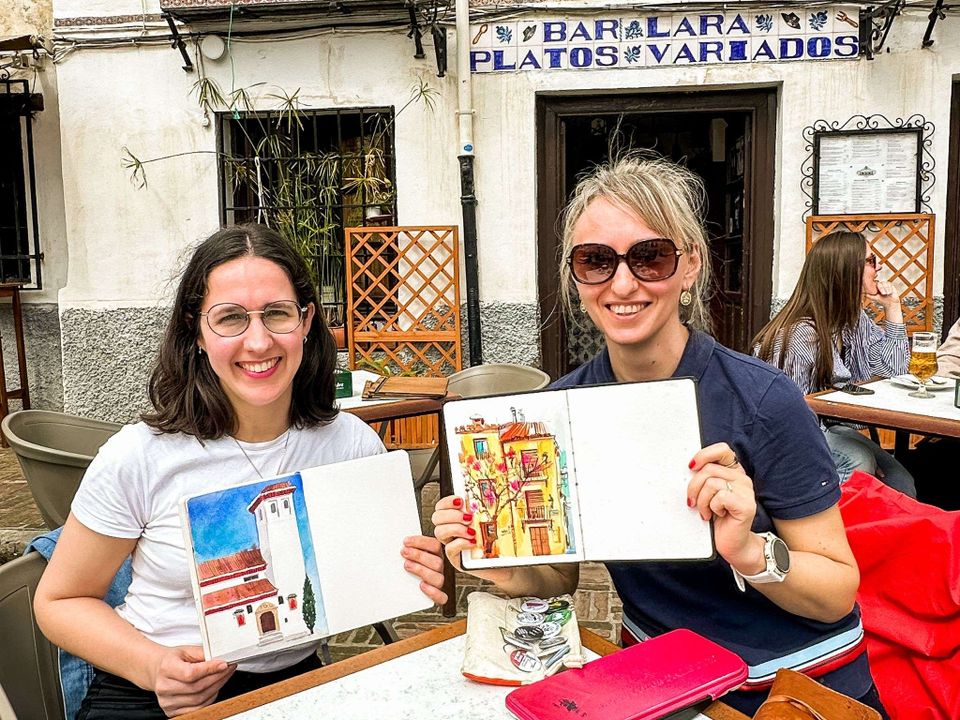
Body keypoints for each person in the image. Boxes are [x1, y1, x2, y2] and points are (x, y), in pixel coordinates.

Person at [432, 155, 889, 717]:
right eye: (596, 260)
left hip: (795, 689)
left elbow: (836, 591)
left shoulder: (763, 399)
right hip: (661, 680)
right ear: (576, 279)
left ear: (689, 266)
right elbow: (557, 578)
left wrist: (748, 552)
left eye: (650, 257)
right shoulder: (557, 410)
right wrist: (502, 565)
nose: (623, 283)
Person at [34, 224, 447, 719]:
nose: (258, 341)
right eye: (230, 318)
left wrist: (423, 564)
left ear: (307, 321)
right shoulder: (140, 455)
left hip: (296, 684)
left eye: (277, 314)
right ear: (196, 333)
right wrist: (152, 666)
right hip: (153, 695)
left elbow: (377, 575)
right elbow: (59, 600)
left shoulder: (352, 444)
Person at [752, 230, 915, 498]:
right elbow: (788, 418)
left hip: (829, 424)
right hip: (790, 436)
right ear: (846, 271)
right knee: (859, 462)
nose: (879, 267)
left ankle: (890, 534)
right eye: (871, 261)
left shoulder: (852, 320)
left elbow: (892, 372)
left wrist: (893, 309)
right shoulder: (799, 336)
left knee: (900, 480)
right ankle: (831, 532)